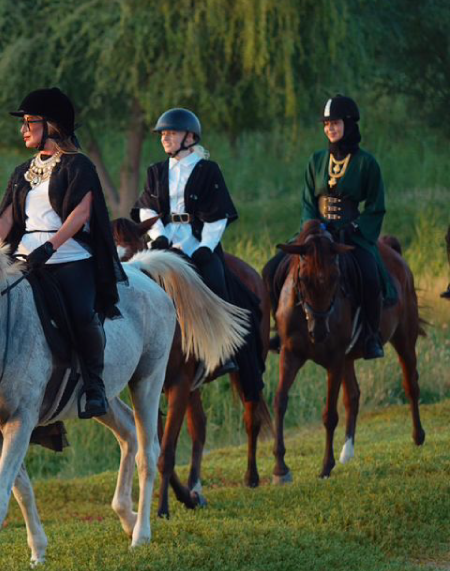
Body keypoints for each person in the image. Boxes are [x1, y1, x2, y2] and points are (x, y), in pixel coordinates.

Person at [0, 87, 125, 419]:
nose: (24, 129)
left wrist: (50, 247)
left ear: (51, 125)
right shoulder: (22, 170)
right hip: (24, 256)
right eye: (23, 123)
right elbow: (6, 217)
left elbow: (80, 215)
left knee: (81, 314)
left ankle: (95, 386)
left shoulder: (79, 166)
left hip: (68, 256)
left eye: (29, 122)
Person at [263, 94, 390, 359]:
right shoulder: (316, 160)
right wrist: (311, 229)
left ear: (349, 124)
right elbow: (308, 200)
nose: (330, 128)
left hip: (351, 235)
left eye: (335, 123)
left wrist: (354, 229)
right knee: (272, 269)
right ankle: (279, 330)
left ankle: (370, 336)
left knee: (370, 276)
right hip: (316, 233)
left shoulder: (367, 163)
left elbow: (376, 206)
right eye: (326, 124)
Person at [133, 107, 239, 375]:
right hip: (163, 241)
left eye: (172, 133)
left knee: (216, 280)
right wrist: (159, 237)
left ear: (190, 137)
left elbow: (218, 214)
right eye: (162, 134)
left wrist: (206, 246)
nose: (165, 138)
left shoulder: (208, 170)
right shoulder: (155, 171)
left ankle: (222, 351)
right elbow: (146, 208)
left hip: (198, 241)